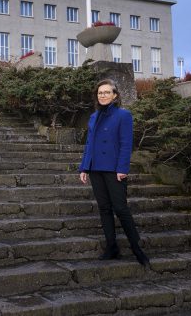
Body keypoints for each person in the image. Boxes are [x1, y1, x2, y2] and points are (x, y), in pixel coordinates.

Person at [79, 79, 150, 266]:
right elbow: (89, 143)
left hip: (113, 169)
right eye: (100, 92)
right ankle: (112, 247)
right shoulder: (94, 116)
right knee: (104, 208)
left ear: (115, 95)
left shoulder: (123, 115)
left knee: (120, 208)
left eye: (106, 92)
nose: (102, 95)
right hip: (95, 168)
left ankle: (136, 248)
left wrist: (122, 168)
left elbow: (126, 144)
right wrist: (84, 167)